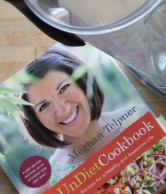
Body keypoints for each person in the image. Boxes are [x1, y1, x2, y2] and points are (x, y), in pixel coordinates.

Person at [20, 47, 131, 185]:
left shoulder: (140, 116)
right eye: (44, 106)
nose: (63, 110)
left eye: (64, 88)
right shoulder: (47, 187)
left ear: (81, 81)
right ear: (34, 120)